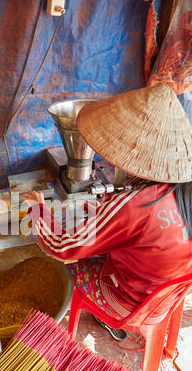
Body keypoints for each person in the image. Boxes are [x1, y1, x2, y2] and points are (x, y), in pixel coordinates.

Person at [22, 83, 192, 341]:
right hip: (164, 299)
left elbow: (61, 246)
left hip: (128, 301)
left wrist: (38, 210)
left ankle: (98, 318)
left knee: (68, 265)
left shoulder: (138, 206)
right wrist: (108, 213)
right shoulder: (182, 191)